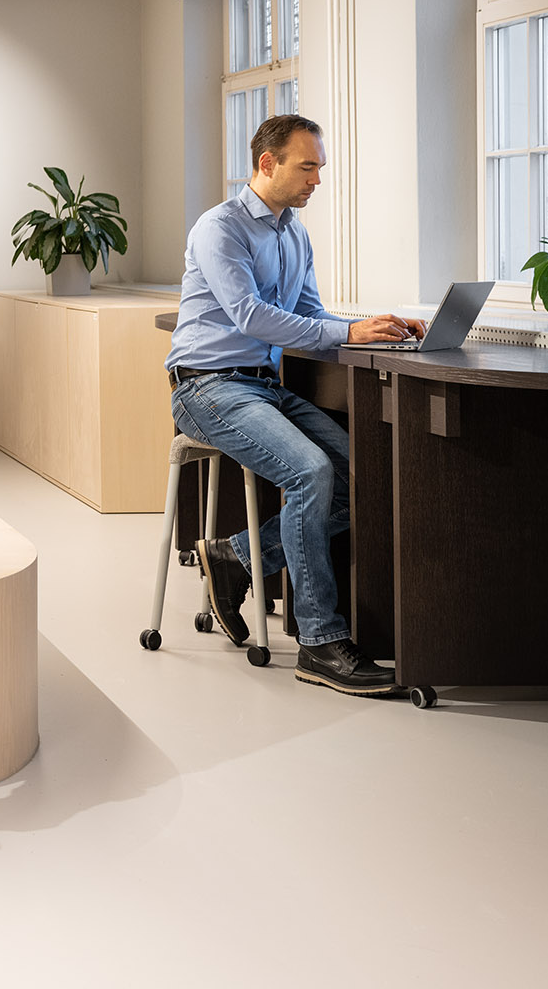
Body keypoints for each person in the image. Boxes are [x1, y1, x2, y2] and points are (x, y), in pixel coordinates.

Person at [166, 113, 423, 697]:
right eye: (307, 167)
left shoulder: (293, 234)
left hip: (262, 386)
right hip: (206, 387)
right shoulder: (220, 228)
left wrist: (377, 329)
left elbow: (309, 314)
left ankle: (235, 557)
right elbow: (250, 316)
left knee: (363, 475)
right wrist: (347, 333)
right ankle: (319, 641)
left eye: (319, 168)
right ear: (268, 163)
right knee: (310, 471)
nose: (317, 180)